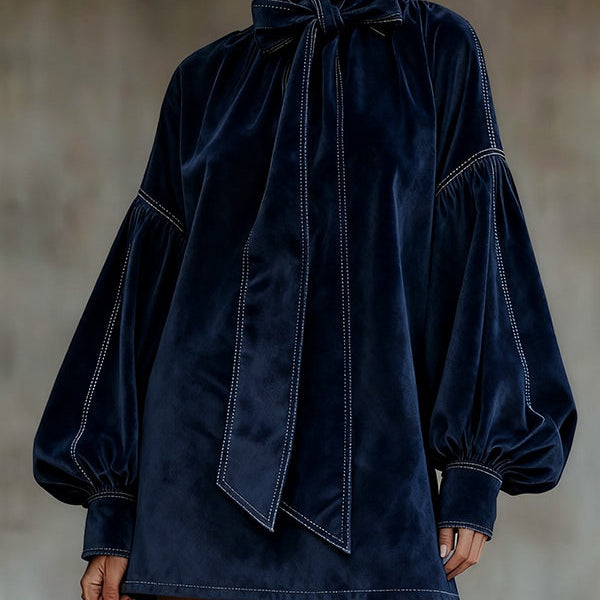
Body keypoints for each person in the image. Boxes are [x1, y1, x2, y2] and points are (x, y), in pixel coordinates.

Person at [32, 1, 578, 600]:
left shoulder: (436, 50)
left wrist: (476, 470)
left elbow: (479, 257)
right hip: (189, 507)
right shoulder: (201, 82)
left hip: (378, 502)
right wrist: (111, 506)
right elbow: (141, 295)